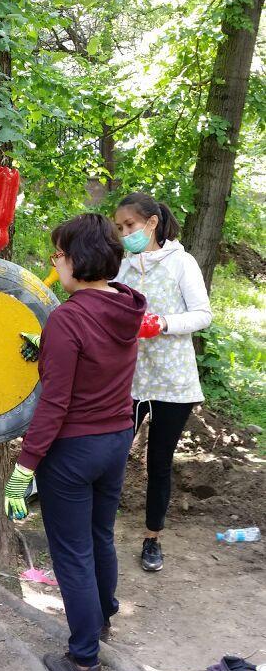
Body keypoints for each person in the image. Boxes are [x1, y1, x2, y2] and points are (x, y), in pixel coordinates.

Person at [4, 214, 146, 671]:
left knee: (72, 554)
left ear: (78, 258)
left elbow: (57, 403)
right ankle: (101, 619)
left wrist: (24, 467)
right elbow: (95, 362)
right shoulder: (126, 306)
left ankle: (84, 658)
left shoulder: (68, 316)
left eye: (59, 253)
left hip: (74, 450)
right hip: (115, 440)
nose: (54, 261)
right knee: (99, 536)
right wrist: (47, 350)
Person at [114, 191, 212, 573]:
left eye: (130, 225)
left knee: (159, 462)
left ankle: (152, 539)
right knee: (112, 456)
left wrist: (164, 323)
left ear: (152, 223)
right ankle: (96, 531)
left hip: (173, 380)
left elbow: (203, 314)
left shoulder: (181, 263)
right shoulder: (122, 268)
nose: (125, 233)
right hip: (130, 377)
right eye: (121, 228)